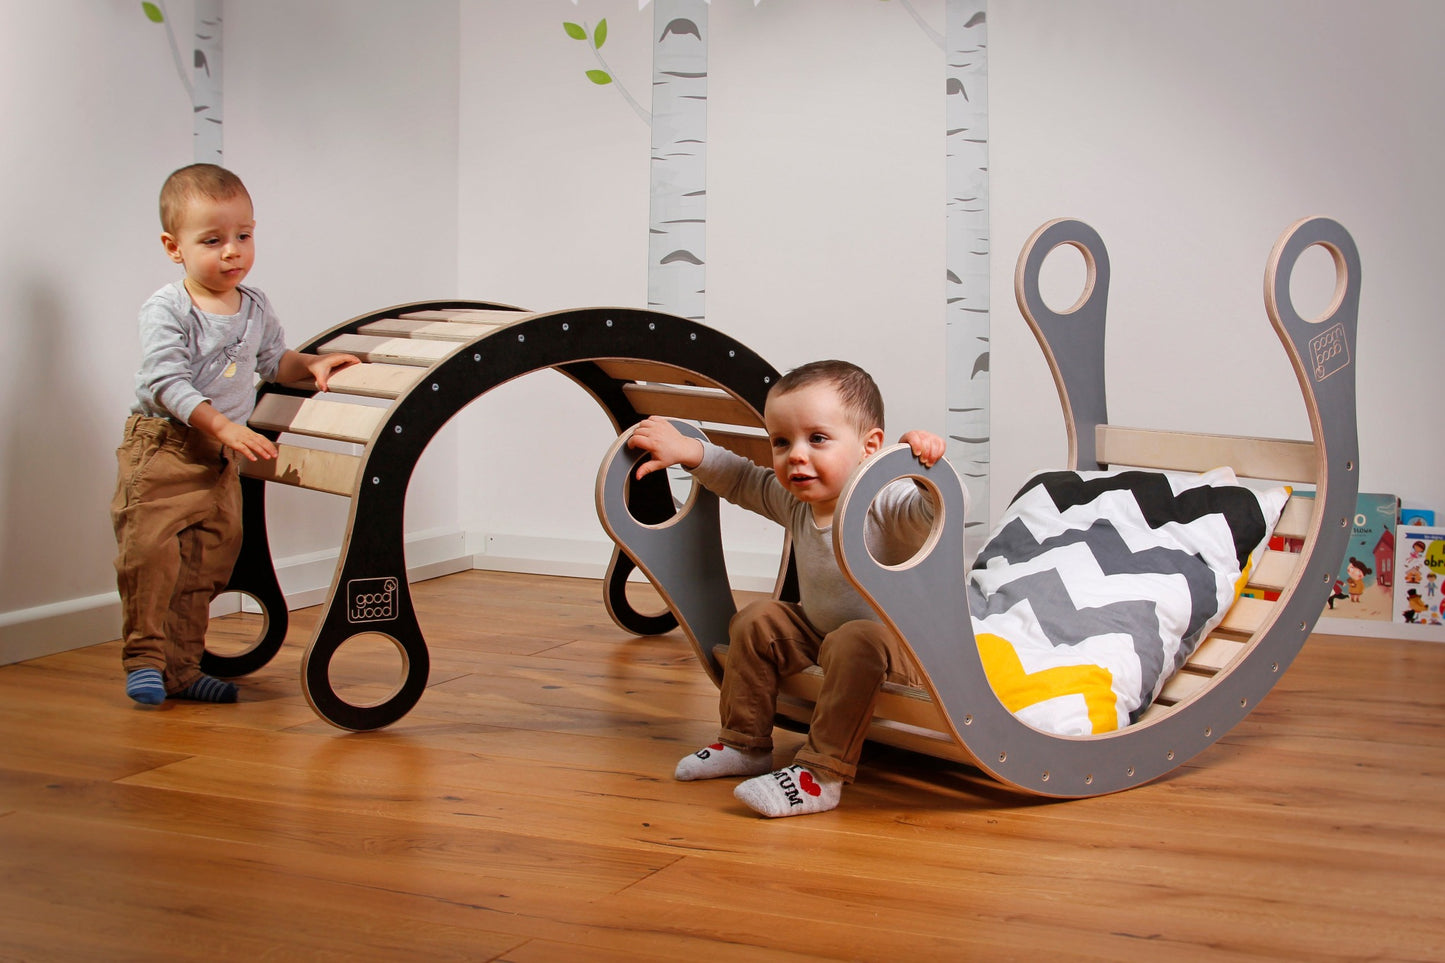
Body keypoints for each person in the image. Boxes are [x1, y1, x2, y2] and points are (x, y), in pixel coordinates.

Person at [627, 360, 955, 817]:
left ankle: (821, 776)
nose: (795, 455)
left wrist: (923, 468)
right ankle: (745, 743)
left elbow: (933, 515)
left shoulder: (886, 504)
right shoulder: (799, 502)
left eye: (817, 438)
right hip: (826, 635)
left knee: (856, 639)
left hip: (901, 651)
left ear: (870, 447)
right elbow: (743, 479)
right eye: (781, 442)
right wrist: (689, 451)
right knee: (759, 619)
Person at [112, 164, 359, 706]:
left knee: (208, 560)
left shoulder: (255, 306)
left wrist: (312, 365)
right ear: (173, 247)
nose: (232, 252)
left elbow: (274, 361)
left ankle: (181, 667)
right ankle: (146, 660)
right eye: (213, 240)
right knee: (151, 556)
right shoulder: (169, 308)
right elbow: (163, 382)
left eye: (243, 236)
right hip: (163, 450)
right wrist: (223, 424)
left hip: (219, 457)